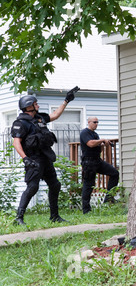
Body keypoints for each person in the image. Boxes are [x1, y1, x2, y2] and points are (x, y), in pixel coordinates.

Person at [11, 88, 78, 225]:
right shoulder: (20, 123)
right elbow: (16, 142)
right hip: (33, 159)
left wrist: (66, 101)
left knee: (55, 185)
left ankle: (54, 216)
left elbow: (54, 115)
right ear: (29, 106)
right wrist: (25, 158)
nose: (38, 106)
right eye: (36, 104)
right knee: (32, 187)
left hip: (46, 158)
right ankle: (19, 218)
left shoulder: (39, 118)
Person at [79, 117, 119, 214]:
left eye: (97, 122)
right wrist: (102, 140)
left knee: (114, 173)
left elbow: (97, 148)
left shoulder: (95, 134)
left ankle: (108, 198)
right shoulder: (85, 132)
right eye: (94, 122)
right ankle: (86, 210)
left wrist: (103, 144)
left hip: (97, 161)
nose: (96, 124)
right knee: (89, 184)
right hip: (88, 162)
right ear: (89, 122)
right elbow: (90, 144)